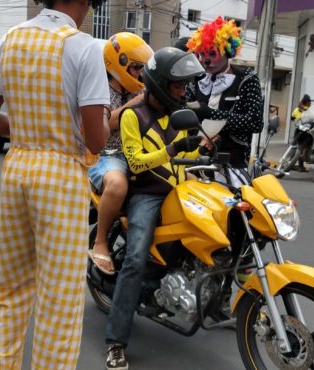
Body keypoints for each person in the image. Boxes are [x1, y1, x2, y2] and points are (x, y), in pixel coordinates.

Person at [0, 0, 110, 368]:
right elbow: (96, 140)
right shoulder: (84, 47)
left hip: (17, 168)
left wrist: (27, 127)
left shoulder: (9, 41)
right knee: (60, 297)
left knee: (11, 286)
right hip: (60, 175)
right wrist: (107, 121)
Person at [104, 46, 205, 370]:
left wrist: (202, 153)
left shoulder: (182, 115)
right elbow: (135, 162)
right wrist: (174, 148)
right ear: (161, 84)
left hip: (180, 190)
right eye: (178, 85)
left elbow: (187, 158)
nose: (183, 91)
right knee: (135, 258)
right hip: (147, 194)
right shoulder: (134, 116)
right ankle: (116, 342)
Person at [89, 32, 153, 275]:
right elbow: (103, 126)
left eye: (141, 69)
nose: (139, 75)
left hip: (136, 156)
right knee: (117, 185)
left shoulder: (140, 92)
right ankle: (101, 242)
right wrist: (135, 103)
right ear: (119, 63)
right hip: (105, 156)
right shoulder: (99, 89)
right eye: (136, 68)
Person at [185, 17, 263, 188]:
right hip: (194, 165)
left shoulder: (247, 80)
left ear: (227, 51)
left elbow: (255, 122)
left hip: (232, 166)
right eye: (202, 54)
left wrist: (212, 114)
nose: (206, 60)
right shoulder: (194, 81)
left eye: (212, 53)